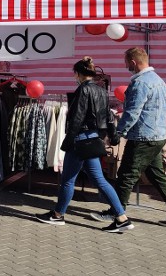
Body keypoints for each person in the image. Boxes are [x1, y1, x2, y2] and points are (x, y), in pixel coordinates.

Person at [91, 46, 166, 227]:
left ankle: (117, 213)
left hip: (143, 137)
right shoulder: (159, 81)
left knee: (126, 174)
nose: (126, 66)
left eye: (126, 63)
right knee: (157, 175)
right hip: (158, 135)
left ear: (133, 62)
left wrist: (118, 133)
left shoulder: (141, 83)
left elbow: (132, 112)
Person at [35, 57, 133, 232]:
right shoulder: (101, 91)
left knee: (68, 180)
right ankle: (121, 217)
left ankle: (58, 215)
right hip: (93, 139)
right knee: (99, 180)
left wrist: (68, 140)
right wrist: (113, 136)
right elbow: (109, 116)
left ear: (78, 74)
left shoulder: (83, 90)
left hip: (80, 140)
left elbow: (77, 118)